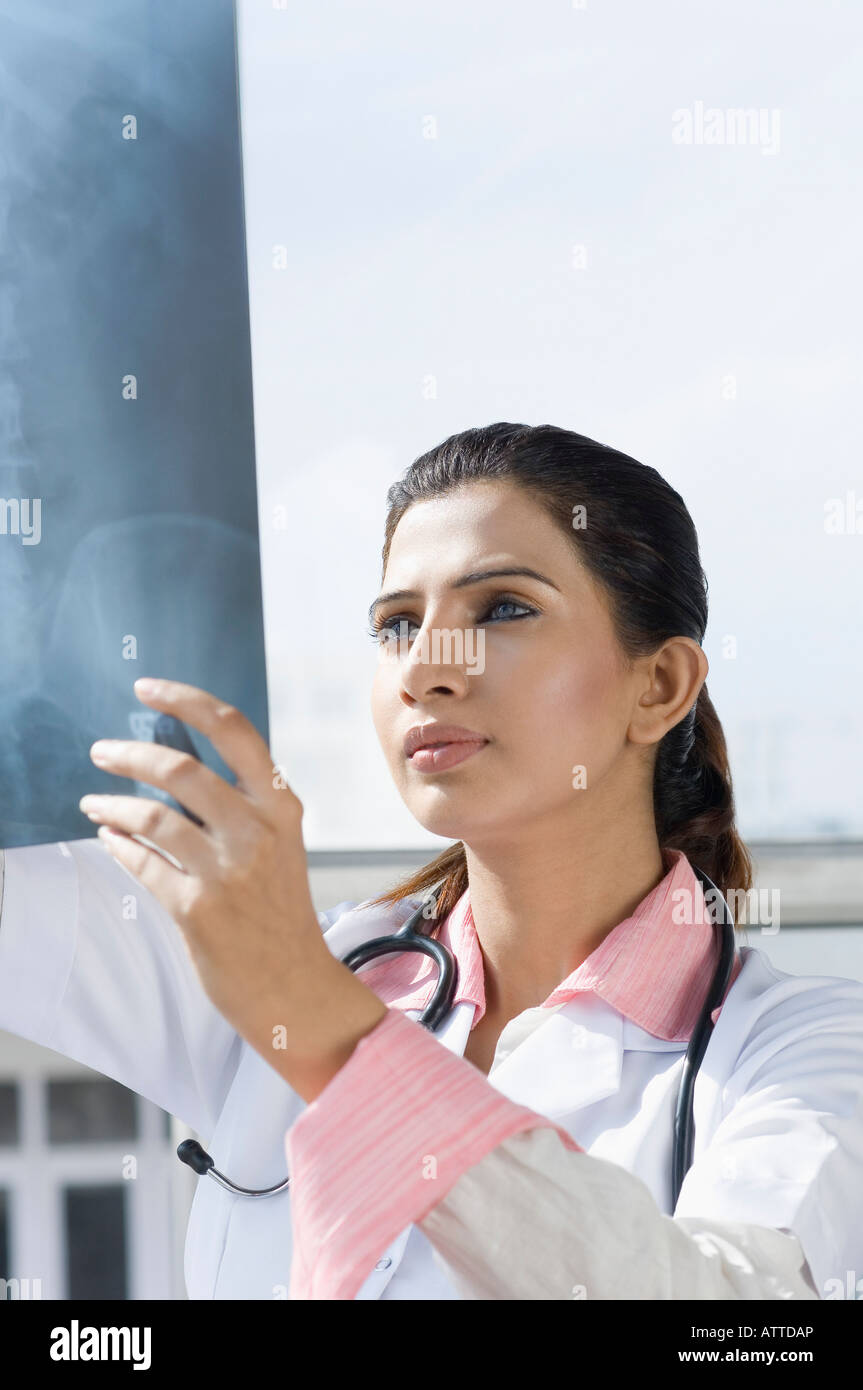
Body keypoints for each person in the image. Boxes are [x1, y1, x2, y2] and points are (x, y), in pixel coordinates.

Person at [1, 422, 861, 1300]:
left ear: (659, 687)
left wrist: (325, 1027)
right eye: (396, 624)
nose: (423, 669)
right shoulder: (271, 963)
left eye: (502, 609)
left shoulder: (804, 1051)